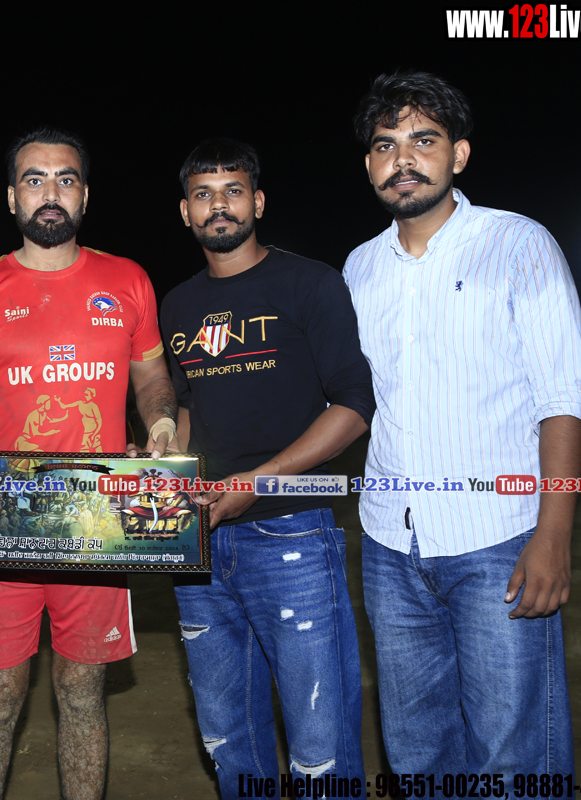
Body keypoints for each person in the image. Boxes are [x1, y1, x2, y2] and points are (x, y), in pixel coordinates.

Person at [343, 70, 581, 775]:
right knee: (417, 753)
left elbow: (563, 397)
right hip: (390, 545)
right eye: (386, 145)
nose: (403, 159)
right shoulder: (360, 269)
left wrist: (553, 536)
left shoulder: (518, 243)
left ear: (458, 154)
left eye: (423, 141)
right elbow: (351, 400)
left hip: (499, 540)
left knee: (514, 755)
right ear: (369, 164)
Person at [0, 128, 178, 800]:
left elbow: (152, 378)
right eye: (34, 179)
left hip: (97, 519)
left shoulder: (127, 280)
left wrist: (160, 422)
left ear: (85, 194)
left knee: (83, 694)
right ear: (12, 197)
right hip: (7, 521)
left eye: (66, 179)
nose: (51, 192)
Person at [161, 139, 373, 796]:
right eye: (203, 195)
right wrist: (167, 470)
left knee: (319, 747)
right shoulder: (177, 304)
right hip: (199, 545)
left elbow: (354, 408)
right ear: (185, 212)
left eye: (232, 191)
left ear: (257, 201)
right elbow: (188, 408)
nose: (218, 205)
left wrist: (258, 484)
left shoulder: (310, 283)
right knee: (229, 738)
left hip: (291, 534)